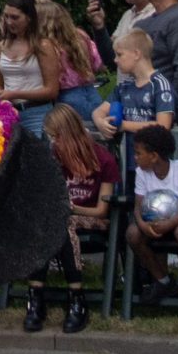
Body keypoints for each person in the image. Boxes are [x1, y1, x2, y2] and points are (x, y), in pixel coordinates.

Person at [25, 103, 116, 334]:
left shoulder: (103, 160)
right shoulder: (54, 157)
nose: (53, 142)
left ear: (68, 134)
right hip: (60, 221)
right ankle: (35, 298)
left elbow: (101, 211)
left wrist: (73, 208)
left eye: (55, 136)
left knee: (63, 223)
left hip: (92, 220)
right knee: (49, 224)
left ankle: (77, 298)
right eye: (50, 137)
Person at [123, 124, 178, 309]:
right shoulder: (141, 173)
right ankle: (162, 280)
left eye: (138, 153)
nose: (135, 158)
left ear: (154, 156)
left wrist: (169, 224)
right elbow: (138, 206)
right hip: (155, 222)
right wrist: (142, 224)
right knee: (133, 233)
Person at [95, 27, 178, 141]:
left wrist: (124, 125)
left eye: (119, 55)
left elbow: (163, 126)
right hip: (129, 155)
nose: (115, 60)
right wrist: (100, 122)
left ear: (136, 54)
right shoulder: (124, 86)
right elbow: (99, 111)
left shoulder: (160, 85)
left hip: (154, 155)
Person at [0, 0, 62, 124]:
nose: (9, 22)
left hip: (37, 113)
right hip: (9, 113)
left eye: (15, 17)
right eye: (6, 16)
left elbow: (51, 91)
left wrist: (13, 94)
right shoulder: (2, 46)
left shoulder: (43, 46)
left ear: (29, 18)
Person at [38, 0, 107, 126]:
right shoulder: (81, 36)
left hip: (67, 96)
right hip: (91, 92)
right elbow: (99, 64)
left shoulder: (49, 46)